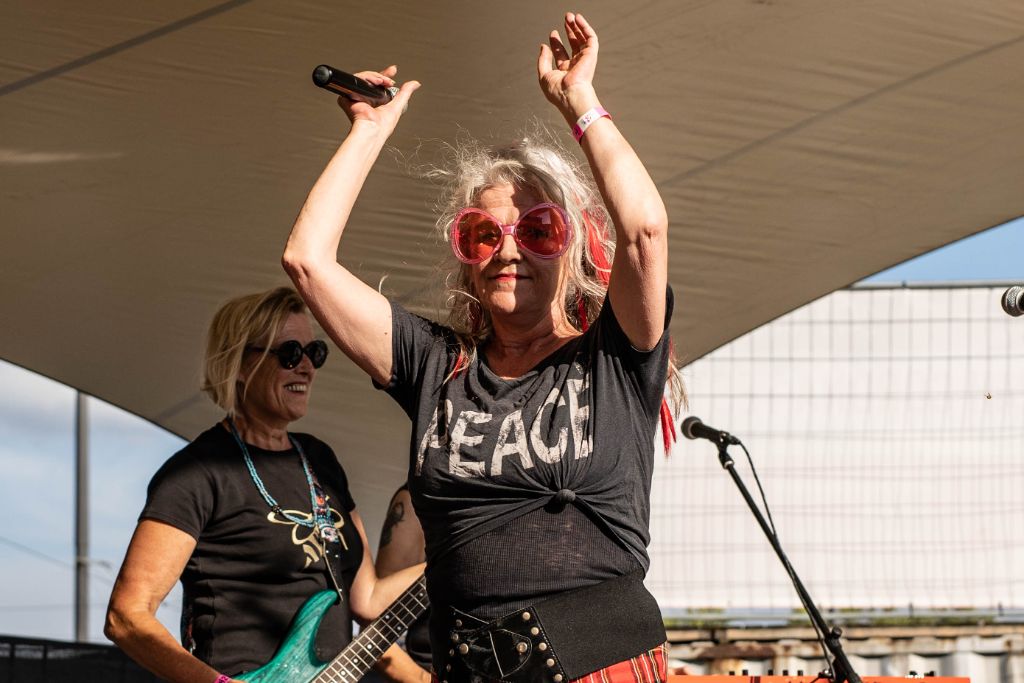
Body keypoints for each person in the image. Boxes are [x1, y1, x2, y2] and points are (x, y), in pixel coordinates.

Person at [283, 12, 683, 683]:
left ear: (571, 248)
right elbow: (307, 261)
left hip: (597, 663)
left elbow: (644, 229)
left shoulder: (613, 358)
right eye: (483, 234)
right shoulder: (437, 366)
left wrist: (579, 102)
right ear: (466, 259)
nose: (509, 250)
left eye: (538, 230)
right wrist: (368, 132)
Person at [104, 287, 423, 683]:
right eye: (290, 353)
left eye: (314, 353)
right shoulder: (197, 473)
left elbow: (368, 599)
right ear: (240, 363)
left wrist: (462, 550)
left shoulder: (321, 461)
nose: (306, 368)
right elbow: (127, 616)